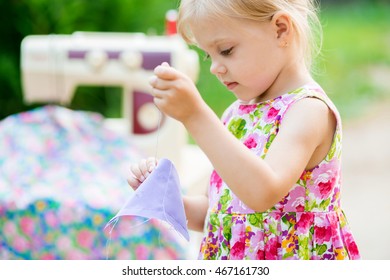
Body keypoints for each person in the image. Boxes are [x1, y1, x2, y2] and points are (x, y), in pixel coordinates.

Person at [127, 0, 361, 260]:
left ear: (281, 30)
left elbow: (262, 193)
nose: (215, 67)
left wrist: (195, 116)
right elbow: (218, 210)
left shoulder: (308, 111)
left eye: (226, 50)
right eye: (208, 55)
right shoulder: (235, 115)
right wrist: (166, 200)